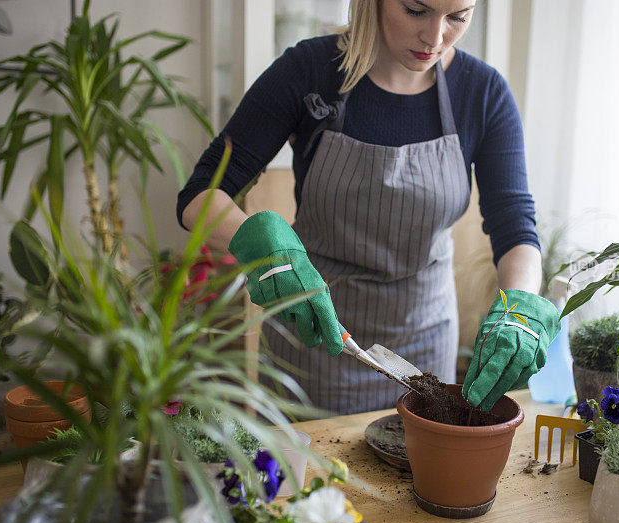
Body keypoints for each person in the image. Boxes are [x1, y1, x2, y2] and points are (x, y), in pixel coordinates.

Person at [177, 0, 560, 415]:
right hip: (315, 343)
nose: (434, 37)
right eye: (416, 10)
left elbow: (515, 227)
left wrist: (519, 305)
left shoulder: (482, 93)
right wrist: (257, 240)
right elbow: (199, 194)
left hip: (424, 350)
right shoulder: (309, 71)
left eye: (457, 17)